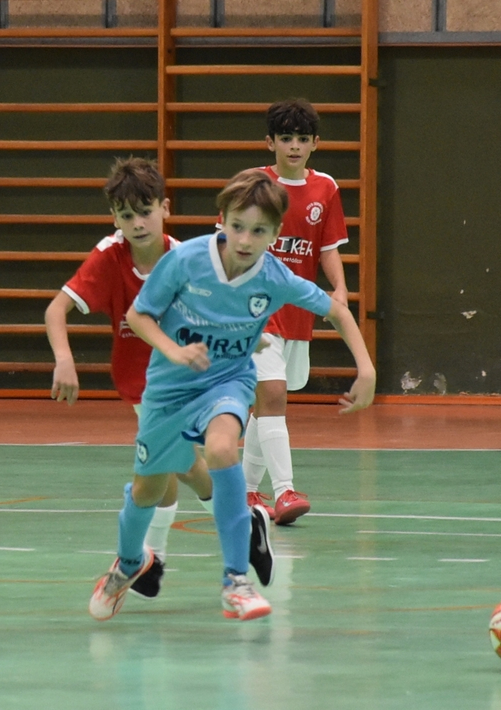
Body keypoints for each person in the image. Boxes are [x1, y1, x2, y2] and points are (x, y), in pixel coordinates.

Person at [88, 168, 375, 622]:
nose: (245, 239)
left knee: (222, 449)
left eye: (259, 231)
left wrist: (367, 368)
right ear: (220, 220)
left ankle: (235, 581)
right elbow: (139, 316)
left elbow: (336, 311)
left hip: (227, 381)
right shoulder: (186, 260)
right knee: (147, 489)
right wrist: (174, 351)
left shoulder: (275, 277)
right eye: (237, 226)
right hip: (168, 388)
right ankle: (127, 563)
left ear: (276, 235)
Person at [45, 157, 210, 599]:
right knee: (178, 466)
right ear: (114, 218)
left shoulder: (185, 260)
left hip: (183, 380)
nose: (137, 223)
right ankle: (231, 523)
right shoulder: (109, 256)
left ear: (165, 208)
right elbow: (56, 310)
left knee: (171, 466)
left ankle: (150, 558)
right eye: (126, 215)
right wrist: (64, 359)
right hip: (139, 384)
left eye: (145, 212)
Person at [239, 98, 351, 526]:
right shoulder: (253, 185)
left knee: (265, 404)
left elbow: (327, 248)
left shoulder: (326, 188)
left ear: (315, 143)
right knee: (272, 396)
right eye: (285, 138)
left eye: (302, 139)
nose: (294, 146)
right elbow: (228, 243)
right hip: (255, 311)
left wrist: (339, 289)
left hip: (298, 310)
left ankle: (246, 490)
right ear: (270, 142)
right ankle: (285, 491)